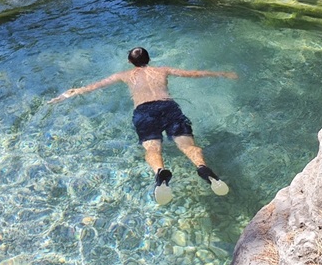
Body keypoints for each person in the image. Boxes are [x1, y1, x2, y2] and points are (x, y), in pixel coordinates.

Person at [48, 46, 237, 205]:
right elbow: (193, 74)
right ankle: (202, 167)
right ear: (149, 59)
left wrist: (65, 95)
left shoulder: (124, 75)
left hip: (144, 111)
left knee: (152, 148)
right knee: (188, 146)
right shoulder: (162, 70)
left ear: (129, 62)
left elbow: (91, 87)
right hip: (168, 106)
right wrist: (222, 74)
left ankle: (160, 172)